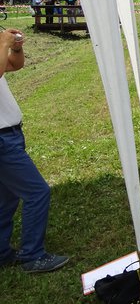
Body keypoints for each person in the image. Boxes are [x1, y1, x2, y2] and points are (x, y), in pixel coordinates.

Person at [0, 29, 70, 273]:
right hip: (2, 140)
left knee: (6, 198)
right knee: (37, 192)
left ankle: (1, 251)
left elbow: (13, 65)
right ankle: (32, 256)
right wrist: (3, 43)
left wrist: (15, 48)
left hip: (9, 134)